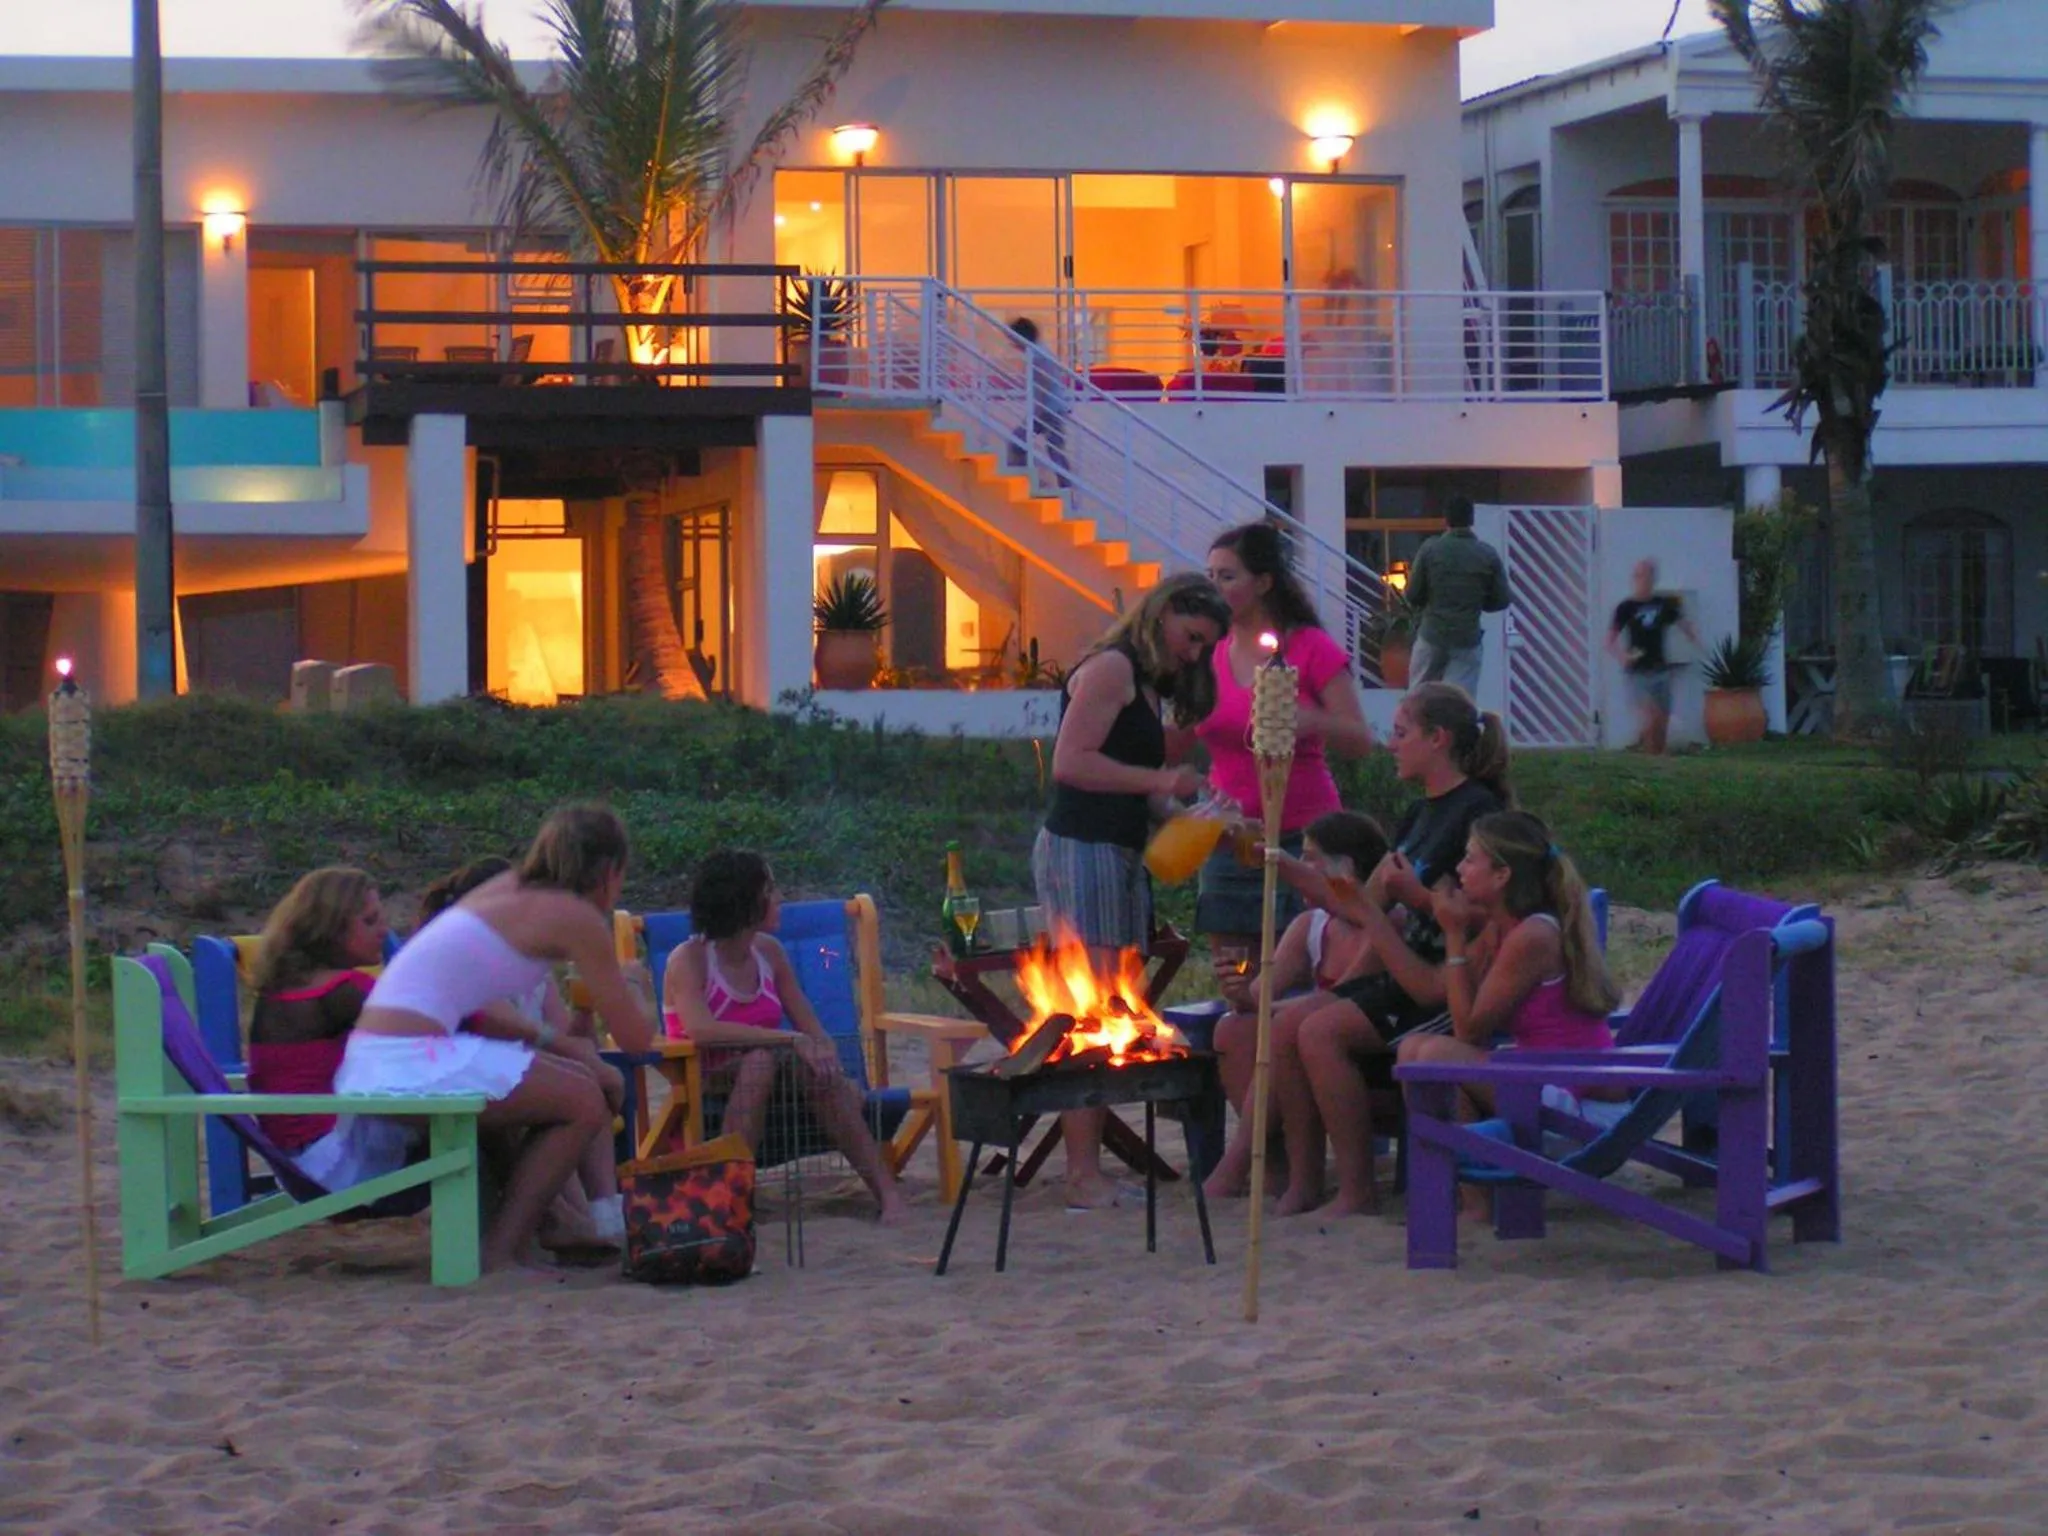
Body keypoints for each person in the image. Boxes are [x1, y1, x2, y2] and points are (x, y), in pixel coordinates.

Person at [337, 804, 655, 1271]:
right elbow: (636, 1040)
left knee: (574, 1082)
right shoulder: (574, 916)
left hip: (377, 1055)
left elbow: (478, 1001)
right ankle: (506, 1249)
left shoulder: (506, 890)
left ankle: (555, 1222)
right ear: (610, 871)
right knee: (584, 1101)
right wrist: (635, 983)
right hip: (410, 1061)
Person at [1263, 682, 1514, 1215]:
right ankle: (1305, 1182)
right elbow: (1361, 904)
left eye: (1401, 733)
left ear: (1438, 739)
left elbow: (1481, 917)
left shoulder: (1478, 812)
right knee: (1283, 1025)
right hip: (1400, 972)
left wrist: (1416, 897)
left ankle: (1357, 1189)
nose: (1390, 743)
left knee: (1320, 1031)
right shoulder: (1420, 815)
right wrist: (1281, 865)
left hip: (1444, 983)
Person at [1034, 571, 1232, 1207]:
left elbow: (1138, 788)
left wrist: (1195, 819)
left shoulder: (1143, 684)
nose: (1194, 653)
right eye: (1192, 636)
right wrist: (1160, 778)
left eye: (1205, 646)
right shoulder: (1111, 670)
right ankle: (1080, 1174)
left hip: (1116, 851)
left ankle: (1086, 1168)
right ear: (1165, 611)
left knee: (1109, 1005)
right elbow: (1071, 764)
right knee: (1089, 1009)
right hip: (1082, 848)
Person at [661, 850, 909, 1226]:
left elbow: (812, 1029)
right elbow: (701, 1030)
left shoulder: (770, 953)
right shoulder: (690, 959)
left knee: (810, 1071)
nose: (779, 899)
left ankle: (888, 1196)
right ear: (743, 900)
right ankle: (728, 1197)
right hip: (705, 1078)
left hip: (774, 1073)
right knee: (761, 1060)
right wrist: (786, 1040)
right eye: (770, 889)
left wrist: (834, 1067)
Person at [1394, 812, 1619, 1214]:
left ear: (1501, 875)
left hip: (1579, 1108)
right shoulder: (1504, 927)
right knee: (1415, 1049)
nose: (1459, 870)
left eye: (1469, 859)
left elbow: (1469, 1031)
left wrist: (1455, 936)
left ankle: (1474, 1203)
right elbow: (1452, 1003)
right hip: (1546, 1083)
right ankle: (1473, 1201)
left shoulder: (1532, 936)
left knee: (1432, 1055)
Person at [1189, 521, 1374, 986]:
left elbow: (1359, 739)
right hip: (1233, 837)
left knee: (1303, 975)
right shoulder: (1208, 652)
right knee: (1238, 981)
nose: (1214, 587)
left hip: (1302, 833)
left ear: (1264, 582)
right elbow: (1180, 737)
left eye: (1227, 576)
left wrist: (1310, 721)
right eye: (1209, 576)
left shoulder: (1310, 648)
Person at [419, 855, 626, 1252]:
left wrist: (586, 1013)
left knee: (581, 1083)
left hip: (515, 1078)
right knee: (571, 1093)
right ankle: (573, 1223)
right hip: (465, 1084)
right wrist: (585, 1063)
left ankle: (603, 1218)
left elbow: (566, 1039)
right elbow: (494, 1031)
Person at [1200, 811, 1388, 1206]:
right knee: (1234, 1028)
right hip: (1306, 1032)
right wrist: (1238, 990)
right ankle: (1272, 1164)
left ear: (1346, 866)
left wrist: (1271, 1007)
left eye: (1310, 858)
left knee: (1287, 1025)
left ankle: (1238, 1165)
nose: (1301, 869)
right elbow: (1259, 997)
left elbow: (1347, 996)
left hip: (1365, 1046)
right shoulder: (1311, 924)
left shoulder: (1383, 923)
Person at [246, 867, 405, 1191]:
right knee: (487, 1103)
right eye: (370, 921)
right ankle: (508, 1228)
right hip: (334, 1165)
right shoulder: (344, 990)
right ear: (330, 929)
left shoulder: (282, 987)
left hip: (295, 1163)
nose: (384, 930)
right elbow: (433, 1029)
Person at [1406, 496, 1512, 694]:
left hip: (1432, 634)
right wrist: (1478, 602)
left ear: (1445, 520)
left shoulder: (1430, 549)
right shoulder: (1487, 554)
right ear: (1471, 520)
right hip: (1467, 638)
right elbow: (1501, 600)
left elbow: (1413, 595)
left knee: (1418, 698)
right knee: (1459, 702)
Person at [1608, 558, 1701, 756]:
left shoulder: (1663, 604)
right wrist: (1622, 656)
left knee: (1662, 721)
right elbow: (1609, 641)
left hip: (1661, 670)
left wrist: (1694, 638)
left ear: (1652, 579)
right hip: (1637, 673)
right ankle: (1649, 756)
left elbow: (1682, 622)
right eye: (1638, 575)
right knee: (1650, 715)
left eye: (1645, 575)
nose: (1641, 580)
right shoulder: (1626, 607)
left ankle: (1657, 756)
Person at [1008, 316, 1071, 488]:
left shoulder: (1038, 355)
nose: (1012, 344)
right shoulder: (1038, 351)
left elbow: (1046, 383)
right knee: (1051, 449)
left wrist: (1036, 412)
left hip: (1049, 410)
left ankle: (1055, 484)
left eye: (1013, 338)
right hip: (1050, 409)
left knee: (1023, 442)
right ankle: (1038, 480)